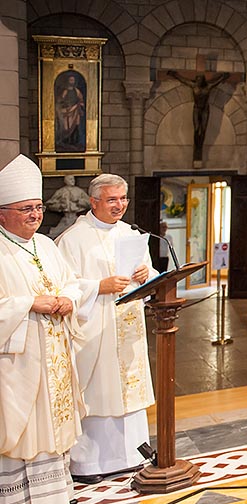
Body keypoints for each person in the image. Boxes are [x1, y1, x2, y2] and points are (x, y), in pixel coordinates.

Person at [0, 155, 84, 504]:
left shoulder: (47, 246)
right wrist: (27, 303)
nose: (35, 215)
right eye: (25, 209)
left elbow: (72, 281)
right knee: (20, 430)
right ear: (2, 213)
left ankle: (53, 496)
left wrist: (69, 299)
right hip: (17, 361)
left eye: (37, 207)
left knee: (52, 425)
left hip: (53, 353)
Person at [56, 174, 156, 485]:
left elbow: (151, 276)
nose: (119, 205)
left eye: (123, 199)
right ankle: (90, 462)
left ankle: (132, 455)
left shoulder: (132, 234)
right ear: (94, 201)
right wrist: (99, 286)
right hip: (94, 329)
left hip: (128, 327)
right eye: (112, 199)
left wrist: (146, 274)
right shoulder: (72, 239)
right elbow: (63, 286)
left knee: (130, 390)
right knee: (97, 393)